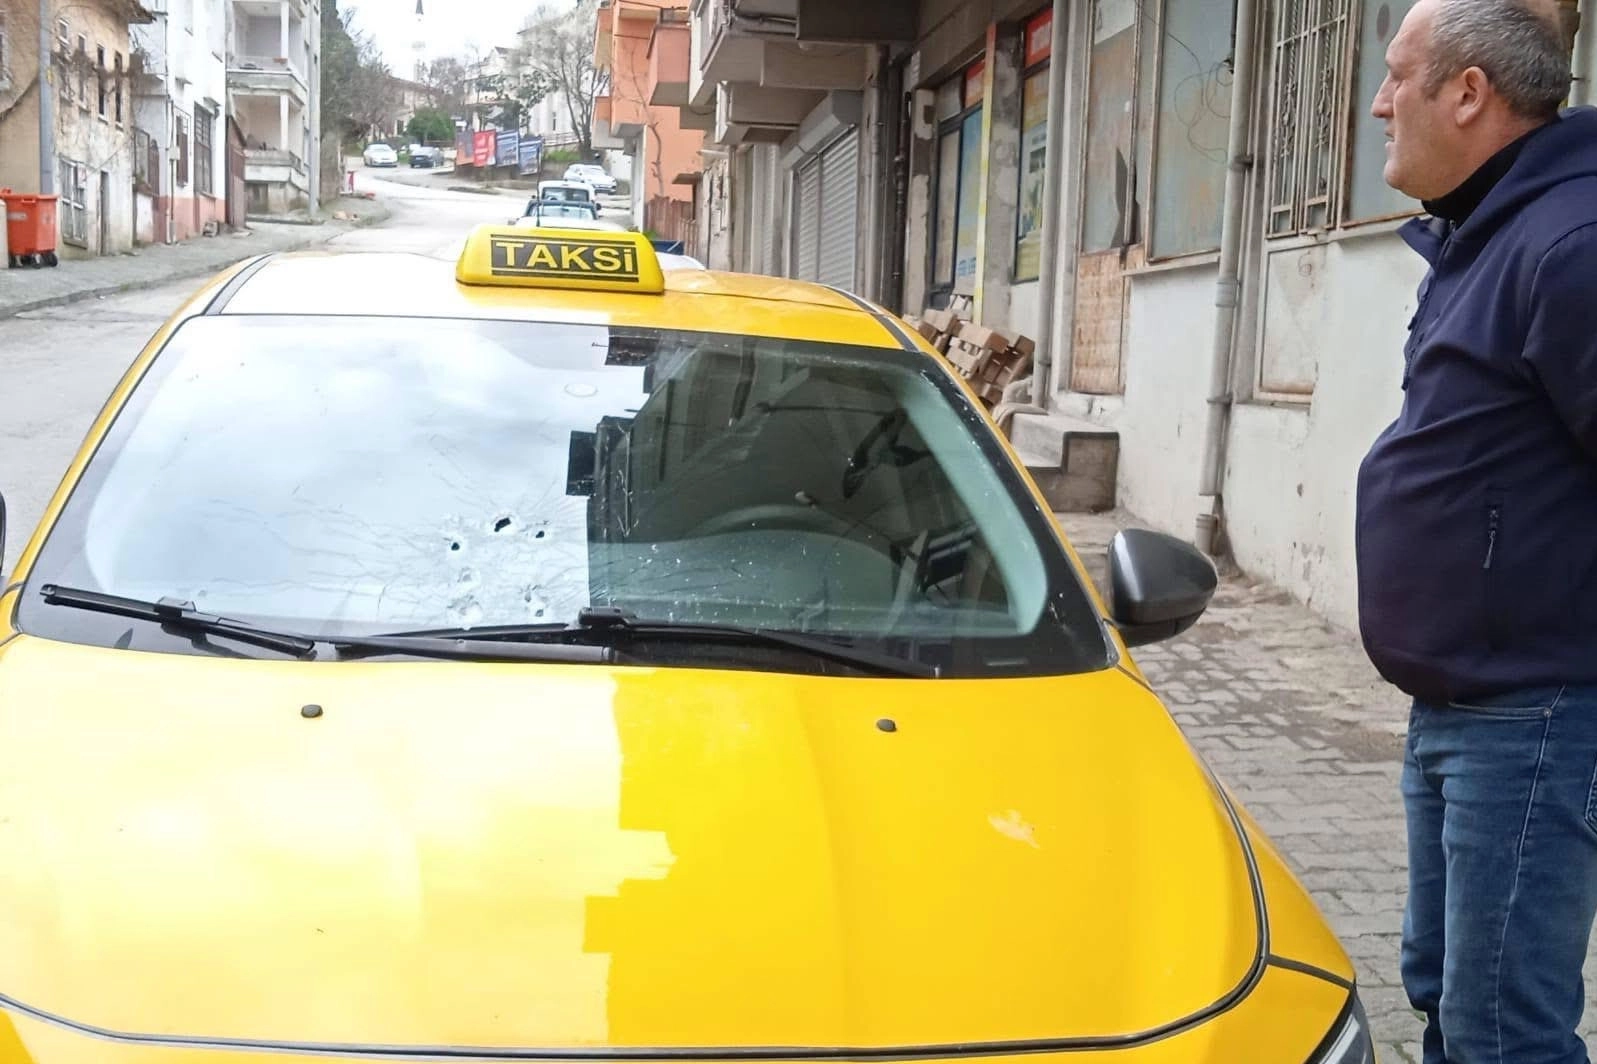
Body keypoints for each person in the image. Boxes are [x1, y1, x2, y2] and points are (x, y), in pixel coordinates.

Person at [1355, 0, 1597, 1060]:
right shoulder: (1486, 231)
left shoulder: (1570, 243)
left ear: (1466, 93)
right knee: (1444, 991)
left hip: (1535, 711)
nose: (1378, 103)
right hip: (1460, 699)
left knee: (1503, 1028)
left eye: (1394, 74)